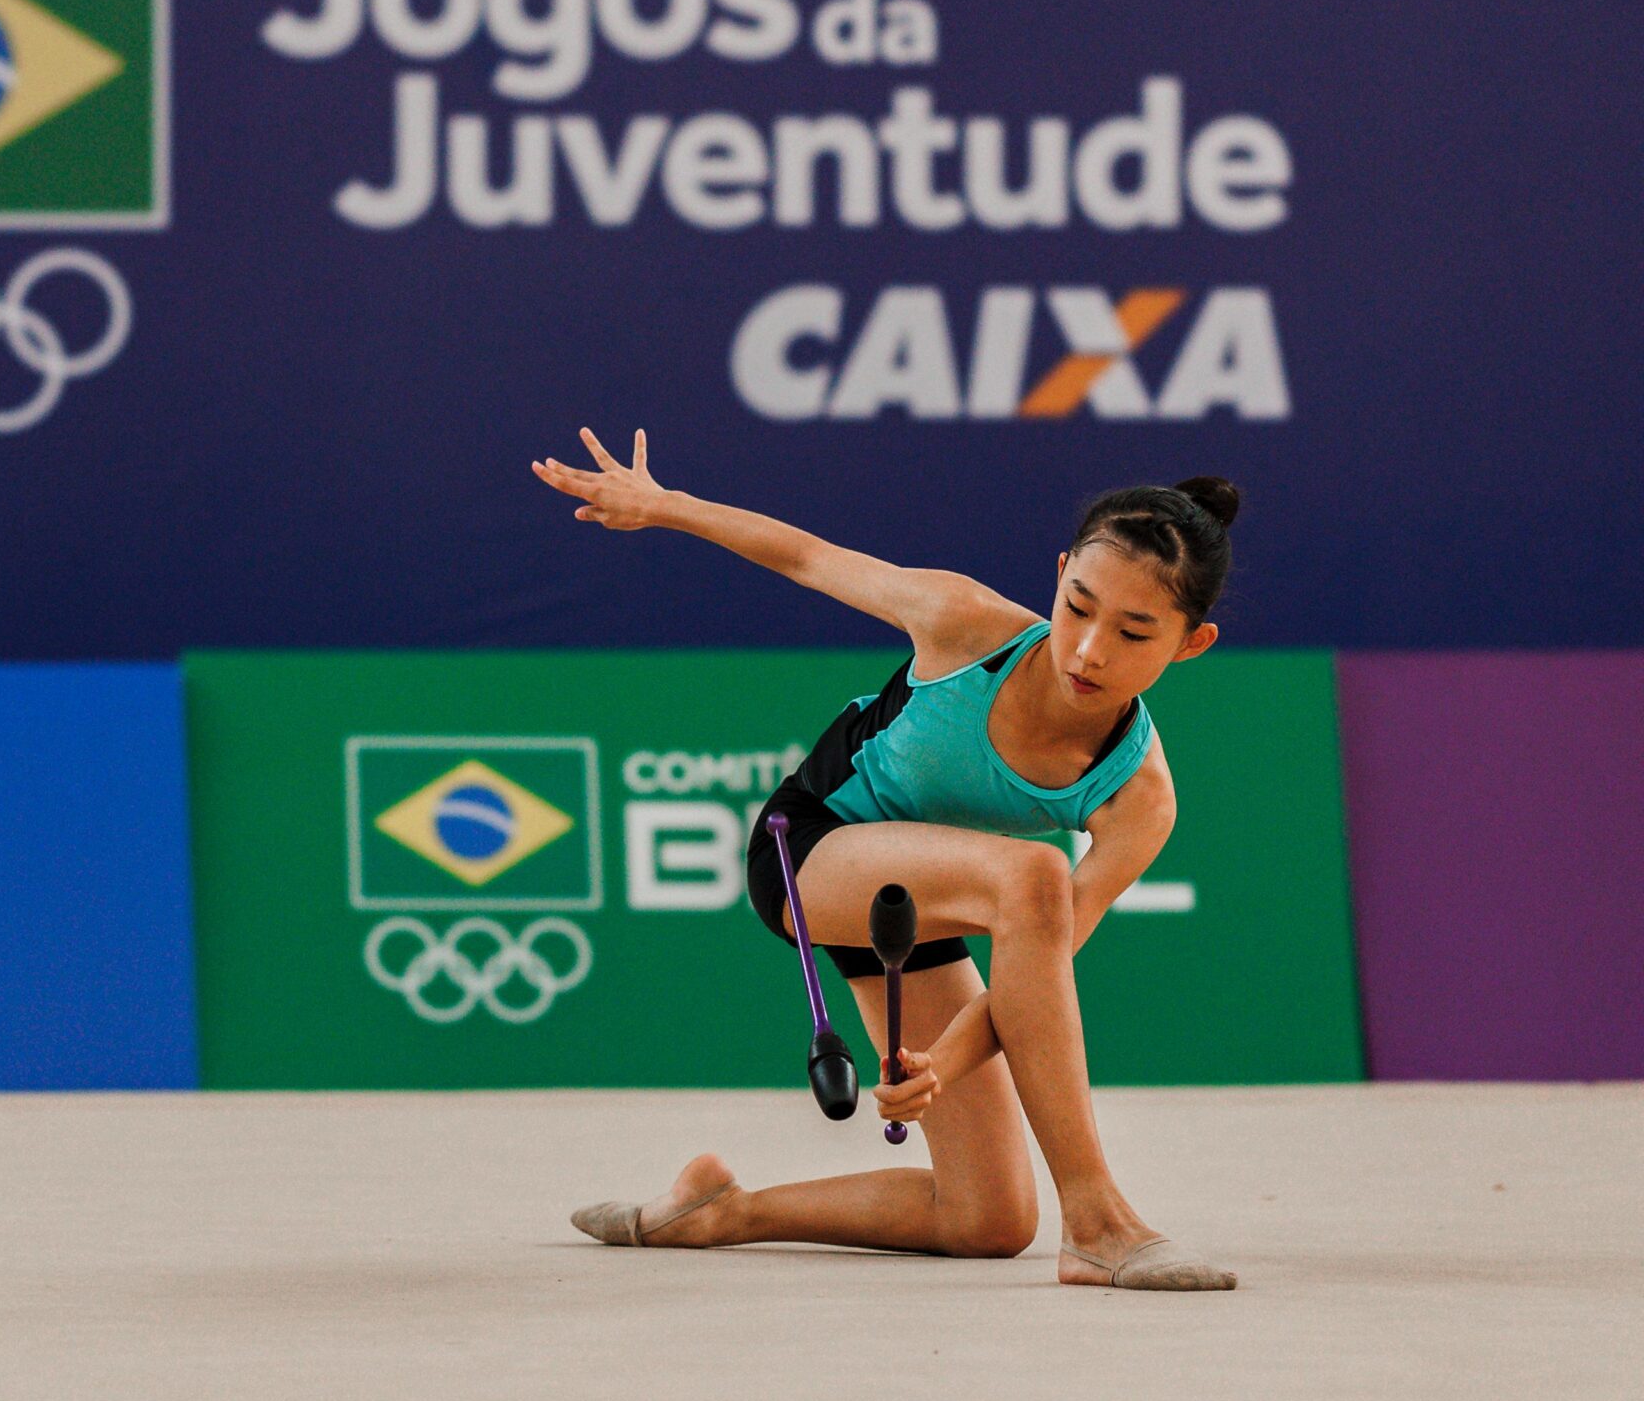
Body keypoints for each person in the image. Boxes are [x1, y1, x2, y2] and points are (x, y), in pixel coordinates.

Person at [531, 428, 1240, 1290]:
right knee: (1035, 872)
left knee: (987, 1219)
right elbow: (805, 556)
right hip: (810, 853)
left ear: (1190, 643)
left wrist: (941, 1058)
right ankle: (1097, 1219)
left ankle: (720, 1208)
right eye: (1079, 607)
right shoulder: (965, 623)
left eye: (1134, 632)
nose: (1089, 650)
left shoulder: (1140, 798)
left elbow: (1041, 967)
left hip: (922, 913)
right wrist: (664, 506)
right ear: (1057, 576)